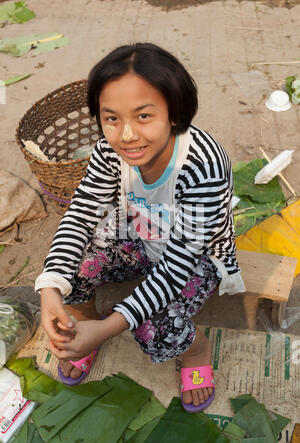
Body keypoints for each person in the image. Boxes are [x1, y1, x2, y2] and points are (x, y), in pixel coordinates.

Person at [35, 43, 245, 413]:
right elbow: (81, 213)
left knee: (152, 326)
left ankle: (196, 349)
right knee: (73, 270)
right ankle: (84, 324)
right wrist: (50, 286)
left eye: (144, 116)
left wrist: (112, 327)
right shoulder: (109, 152)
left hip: (197, 257)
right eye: (111, 118)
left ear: (174, 113)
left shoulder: (203, 167)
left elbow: (175, 269)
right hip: (138, 233)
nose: (127, 135)